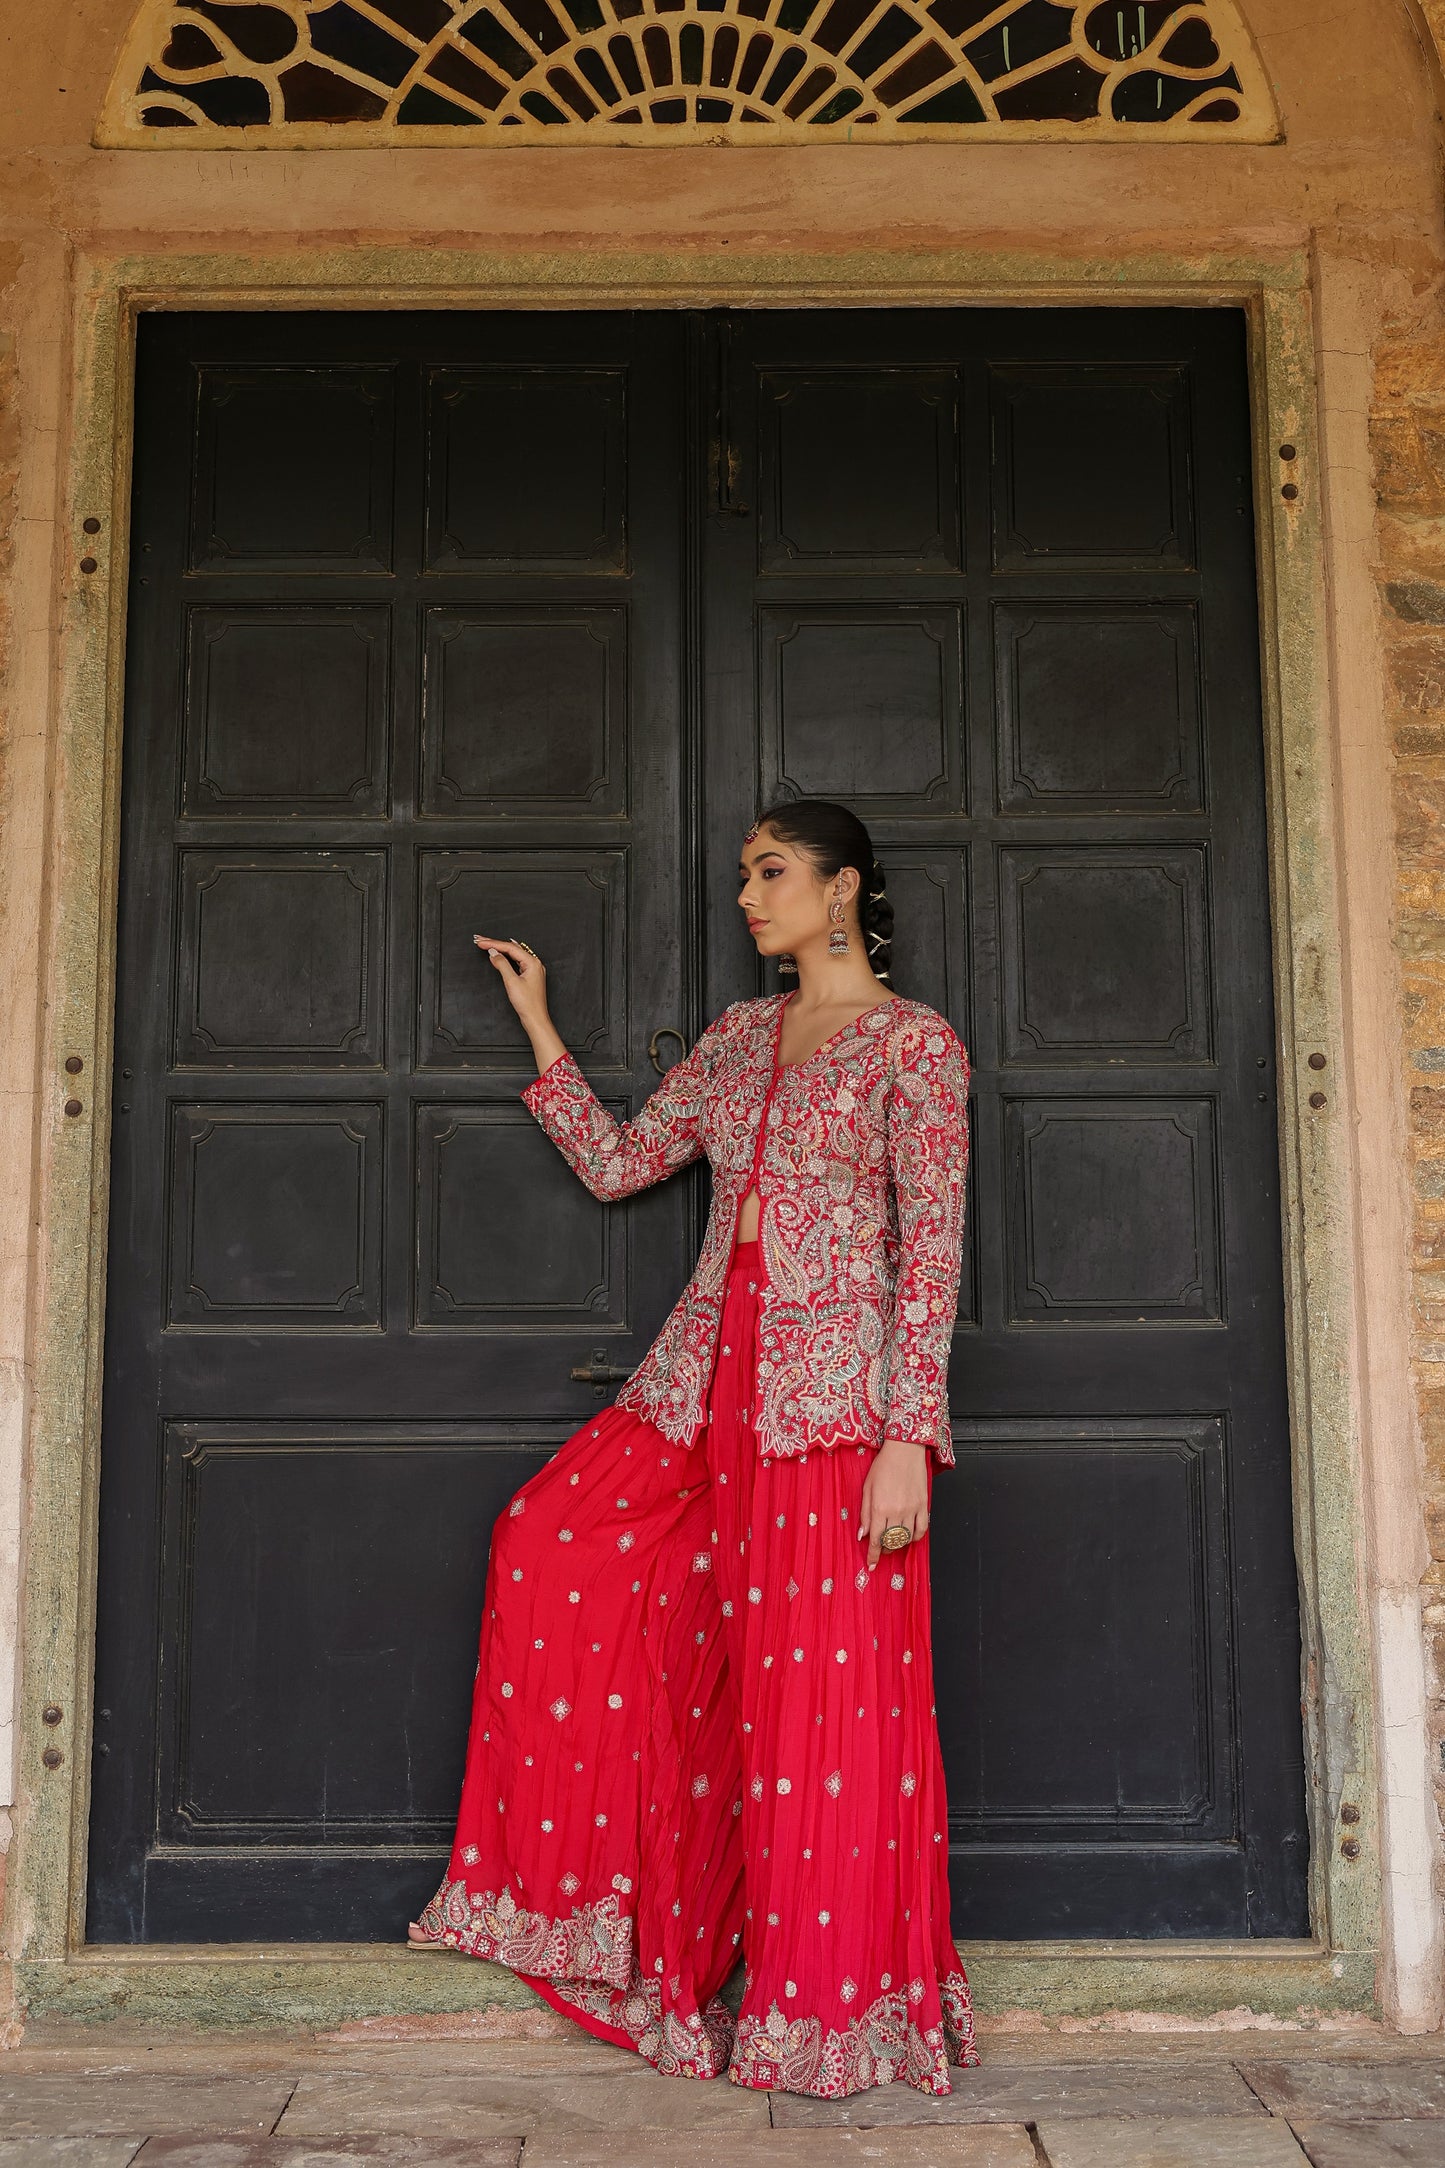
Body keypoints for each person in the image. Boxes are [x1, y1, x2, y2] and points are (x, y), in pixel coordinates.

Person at [408, 797, 977, 2101]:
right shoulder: (736, 1040)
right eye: (742, 876)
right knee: (545, 1541)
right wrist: (541, 1026)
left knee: (825, 1714)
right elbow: (618, 1165)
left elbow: (931, 1253)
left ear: (840, 891)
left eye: (769, 873)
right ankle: (619, 1930)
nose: (746, 897)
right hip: (706, 1397)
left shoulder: (912, 1048)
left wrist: (907, 1436)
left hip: (834, 1413)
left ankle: (829, 2016)